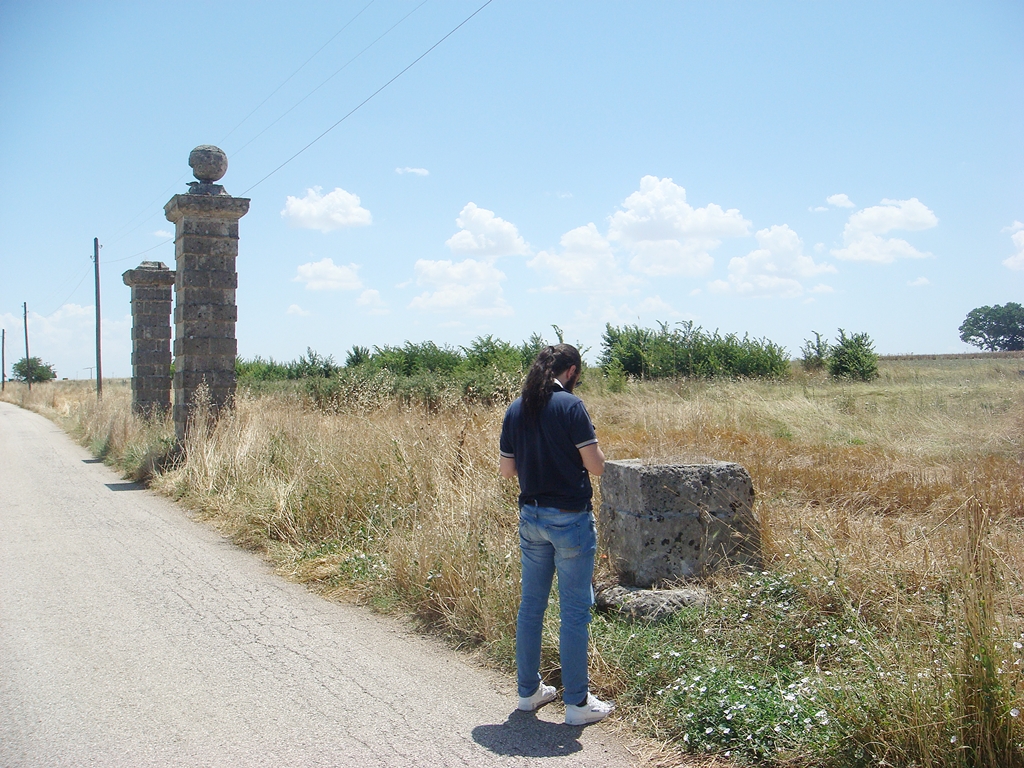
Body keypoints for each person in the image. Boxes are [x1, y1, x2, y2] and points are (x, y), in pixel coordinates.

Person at [499, 344, 614, 726]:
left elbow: (507, 471)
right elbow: (596, 467)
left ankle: (528, 692)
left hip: (531, 516)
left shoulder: (517, 408)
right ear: (572, 371)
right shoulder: (571, 406)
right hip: (569, 518)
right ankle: (577, 704)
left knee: (531, 606)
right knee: (575, 611)